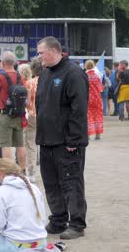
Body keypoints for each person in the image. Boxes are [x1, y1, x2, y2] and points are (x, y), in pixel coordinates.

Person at [36, 36, 88, 240]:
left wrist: (73, 141)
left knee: (71, 182)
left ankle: (76, 223)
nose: (39, 57)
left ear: (54, 50)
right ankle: (58, 220)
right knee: (51, 183)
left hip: (67, 143)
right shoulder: (46, 73)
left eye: (41, 52)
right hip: (46, 140)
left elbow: (78, 110)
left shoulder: (74, 73)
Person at [0, 158, 51, 252]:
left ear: (1, 173)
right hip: (41, 243)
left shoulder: (3, 190)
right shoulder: (34, 188)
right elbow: (43, 220)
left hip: (15, 246)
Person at [0, 51, 26, 173]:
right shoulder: (20, 77)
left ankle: (9, 173)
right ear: (14, 63)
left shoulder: (1, 77)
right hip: (19, 114)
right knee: (20, 144)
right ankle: (23, 171)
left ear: (3, 63)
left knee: (6, 145)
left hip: (5, 115)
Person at [21, 62, 38, 183]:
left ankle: (32, 172)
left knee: (30, 144)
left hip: (32, 115)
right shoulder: (45, 81)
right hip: (46, 115)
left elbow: (27, 102)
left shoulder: (29, 84)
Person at [84, 60, 104, 140]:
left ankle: (88, 135)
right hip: (96, 99)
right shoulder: (97, 76)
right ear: (93, 66)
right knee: (97, 115)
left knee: (87, 116)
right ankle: (98, 135)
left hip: (87, 99)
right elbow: (101, 88)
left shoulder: (84, 76)